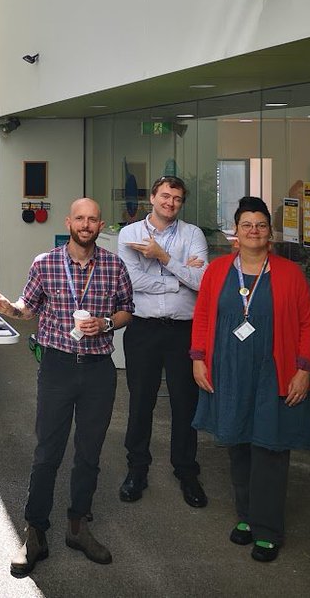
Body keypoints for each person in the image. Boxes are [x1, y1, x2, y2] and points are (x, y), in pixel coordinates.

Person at [0, 198, 133, 576]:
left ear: (100, 225)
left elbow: (128, 309)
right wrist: (6, 307)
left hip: (99, 369)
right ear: (69, 222)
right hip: (57, 367)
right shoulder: (45, 263)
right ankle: (35, 532)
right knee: (47, 451)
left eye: (92, 219)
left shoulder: (114, 265)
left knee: (89, 453)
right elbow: (27, 308)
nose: (86, 225)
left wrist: (107, 323)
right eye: (79, 218)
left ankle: (79, 526)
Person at [190, 196, 310, 563]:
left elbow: (308, 323)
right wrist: (198, 360)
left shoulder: (290, 274)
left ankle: (267, 529)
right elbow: (201, 317)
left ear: (270, 234)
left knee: (271, 448)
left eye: (261, 225)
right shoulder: (216, 272)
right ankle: (245, 516)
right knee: (239, 445)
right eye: (247, 225)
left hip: (272, 373)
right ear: (236, 233)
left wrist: (303, 370)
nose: (254, 231)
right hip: (229, 372)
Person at [116, 175, 209, 507]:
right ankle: (136, 469)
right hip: (144, 329)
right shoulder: (130, 234)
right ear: (152, 198)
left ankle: (186, 472)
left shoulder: (193, 234)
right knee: (141, 401)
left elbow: (202, 281)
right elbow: (132, 280)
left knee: (186, 404)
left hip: (184, 330)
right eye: (165, 196)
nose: (170, 203)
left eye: (177, 199)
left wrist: (162, 257)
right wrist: (178, 278)